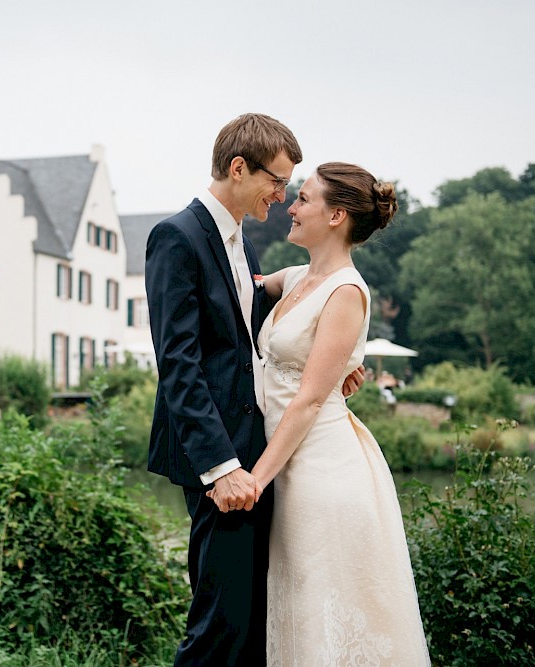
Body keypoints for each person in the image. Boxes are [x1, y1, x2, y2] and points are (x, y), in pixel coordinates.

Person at [145, 115, 363, 666]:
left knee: (250, 622)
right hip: (220, 460)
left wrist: (335, 363)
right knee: (219, 625)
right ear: (239, 169)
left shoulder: (241, 242)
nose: (283, 194)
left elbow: (263, 332)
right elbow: (178, 363)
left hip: (255, 448)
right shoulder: (178, 236)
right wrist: (222, 468)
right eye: (278, 180)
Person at [213, 162, 431, 664]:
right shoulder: (297, 279)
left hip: (320, 473)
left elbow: (310, 398)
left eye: (304, 199)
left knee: (323, 609)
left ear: (336, 216)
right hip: (288, 465)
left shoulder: (346, 291)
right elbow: (235, 293)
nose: (290, 206)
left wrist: (253, 481)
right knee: (293, 608)